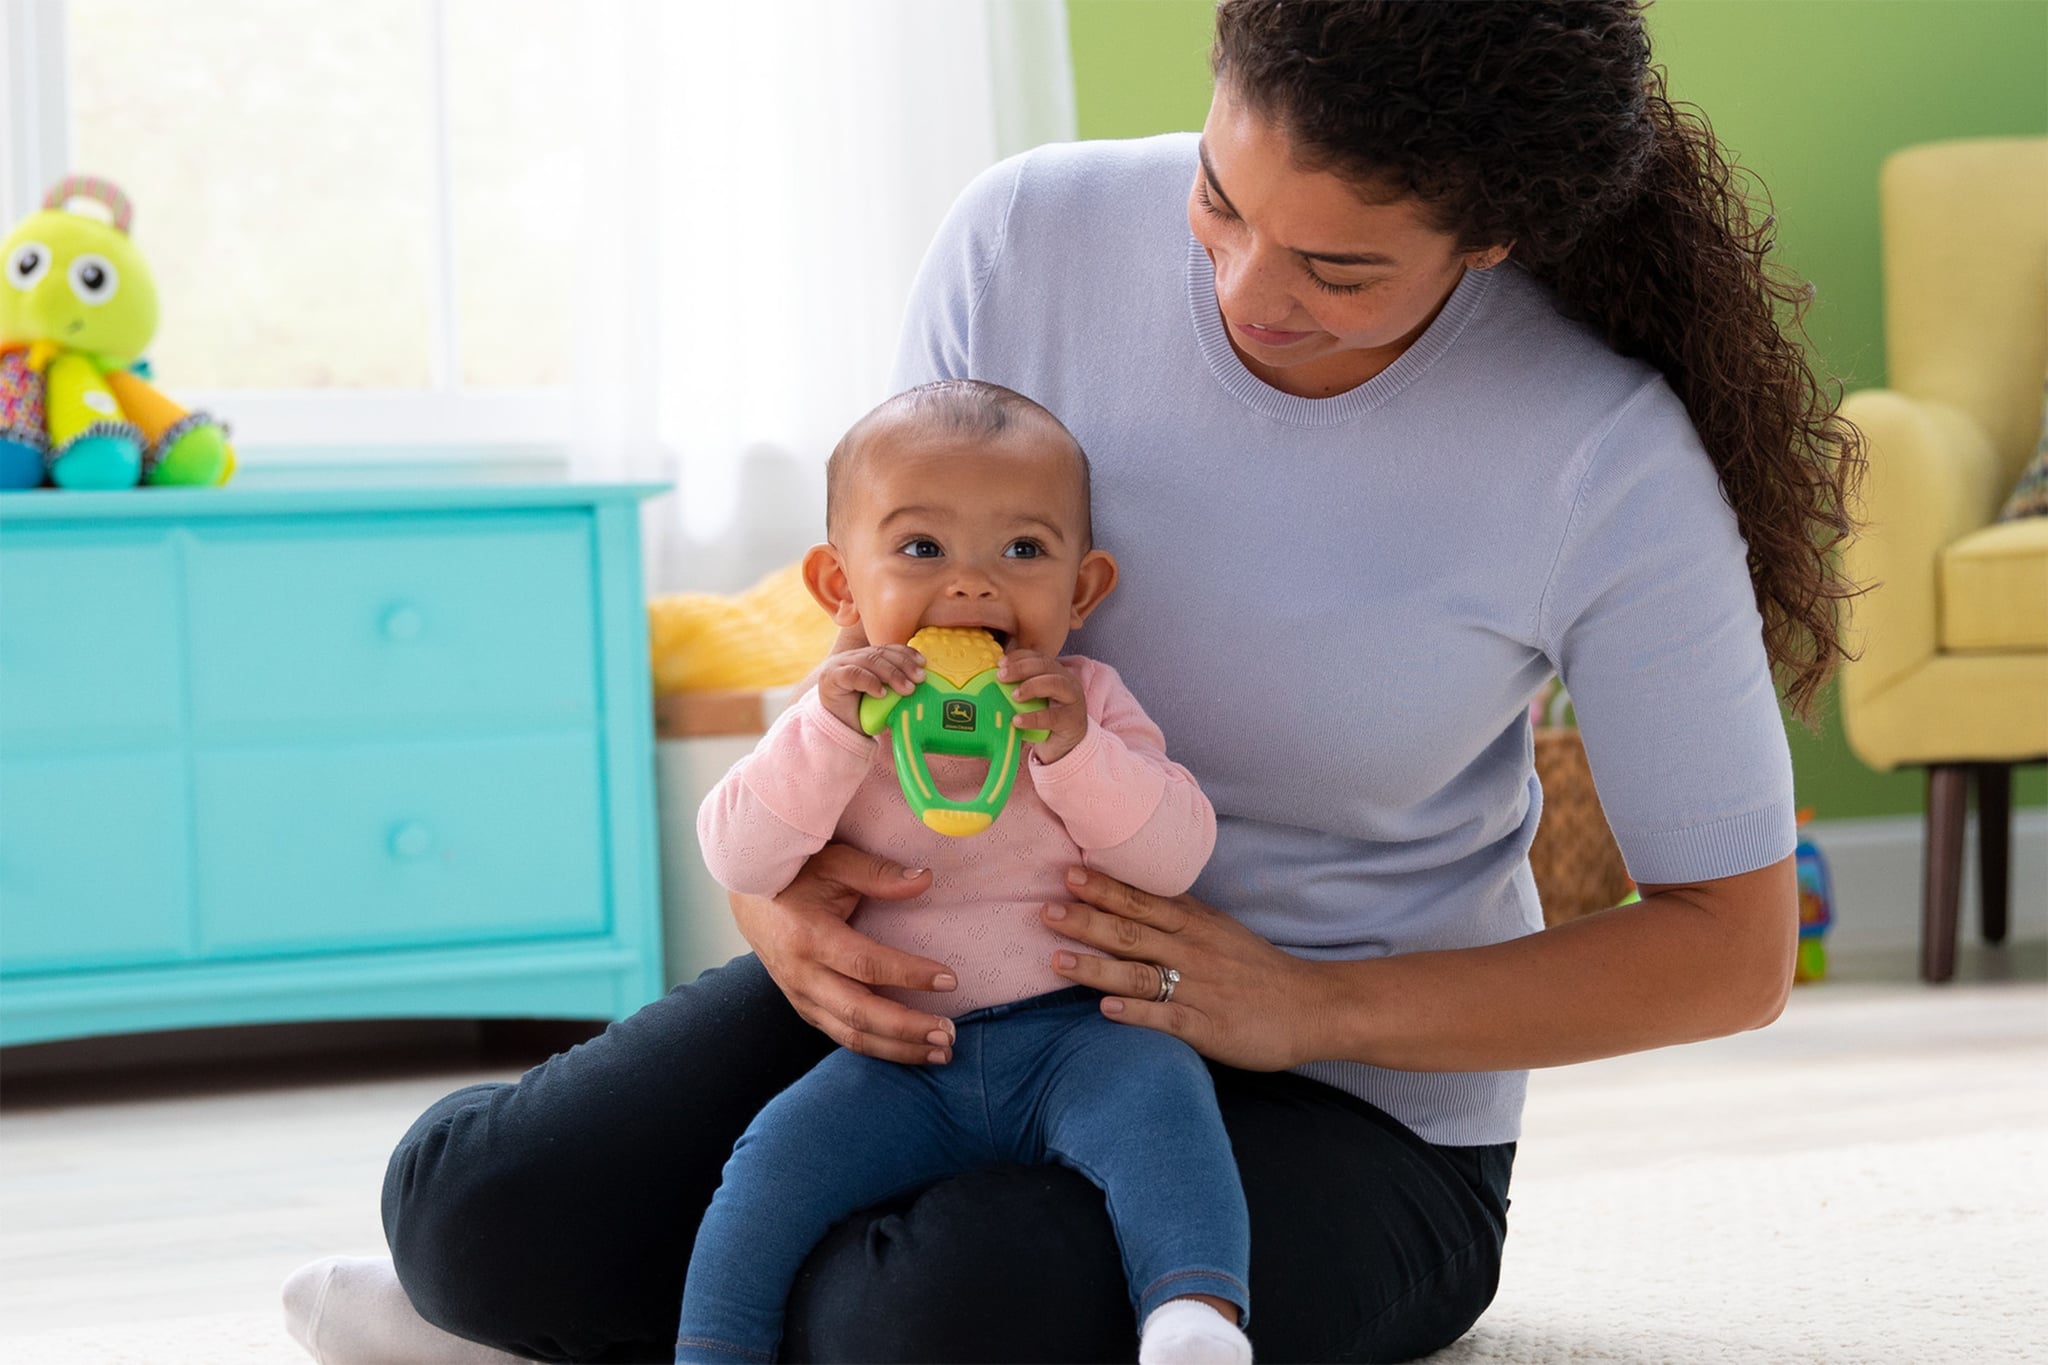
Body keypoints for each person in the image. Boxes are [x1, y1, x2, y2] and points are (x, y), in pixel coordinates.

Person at [284, 2, 1862, 1361]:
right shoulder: (1022, 237)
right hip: (939, 990)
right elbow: (874, 642)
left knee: (911, 1318)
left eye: (1339, 266)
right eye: (1218, 198)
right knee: (470, 1218)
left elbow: (1729, 947)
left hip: (1347, 1103)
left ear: (1493, 235)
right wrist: (787, 914)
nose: (1249, 291)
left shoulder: (1600, 453)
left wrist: (1308, 1003)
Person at [675, 379, 1248, 1364]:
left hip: (1078, 1038)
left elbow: (1173, 856)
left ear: (1081, 590)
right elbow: (739, 855)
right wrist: (828, 731)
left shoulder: (1090, 701)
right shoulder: (833, 711)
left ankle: (1191, 1317)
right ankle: (714, 1349)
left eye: (1021, 551)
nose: (974, 585)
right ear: (839, 586)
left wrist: (1072, 752)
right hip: (902, 1058)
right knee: (769, 1162)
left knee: (1167, 1102)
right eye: (920, 549)